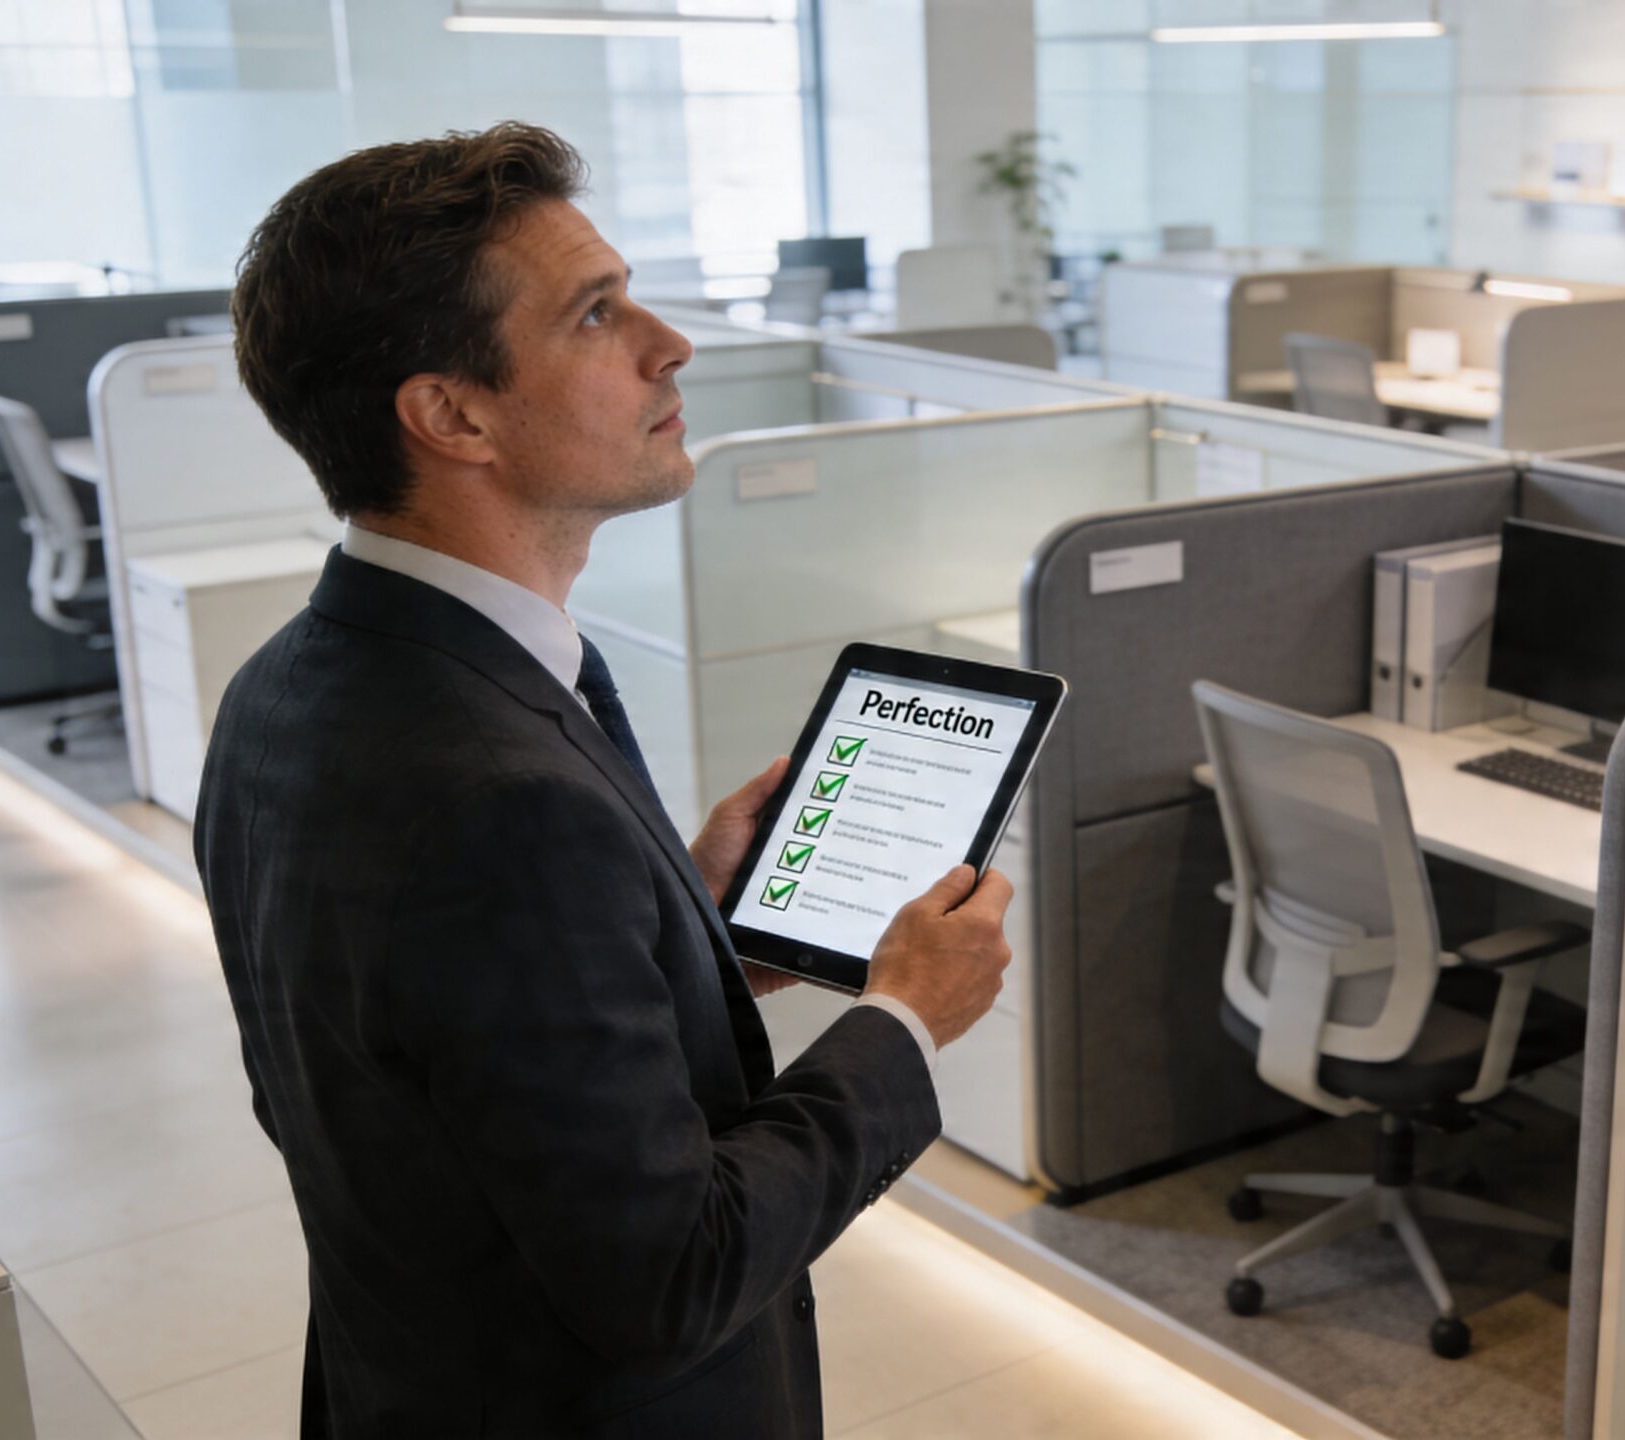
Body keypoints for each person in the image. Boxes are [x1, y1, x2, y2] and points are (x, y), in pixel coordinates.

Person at [198, 122, 1012, 1439]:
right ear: (450, 413)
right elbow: (672, 1273)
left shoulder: (291, 684)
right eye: (595, 315)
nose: (667, 341)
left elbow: (396, 1074)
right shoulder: (501, 802)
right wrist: (906, 1021)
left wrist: (678, 928)